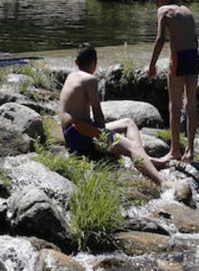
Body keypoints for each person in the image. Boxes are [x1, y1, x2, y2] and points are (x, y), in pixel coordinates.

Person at [58, 44, 166, 185]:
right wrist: (108, 140)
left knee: (128, 122)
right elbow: (98, 114)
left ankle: (145, 158)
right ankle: (163, 182)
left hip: (71, 133)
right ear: (94, 64)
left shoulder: (71, 76)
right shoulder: (89, 80)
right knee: (130, 147)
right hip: (81, 132)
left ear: (76, 63)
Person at [148, 0, 199, 162]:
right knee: (191, 103)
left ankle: (175, 151)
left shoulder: (163, 10)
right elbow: (194, 38)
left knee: (175, 104)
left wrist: (152, 65)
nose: (155, 1)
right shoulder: (187, 10)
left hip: (178, 57)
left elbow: (160, 39)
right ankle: (191, 151)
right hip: (194, 56)